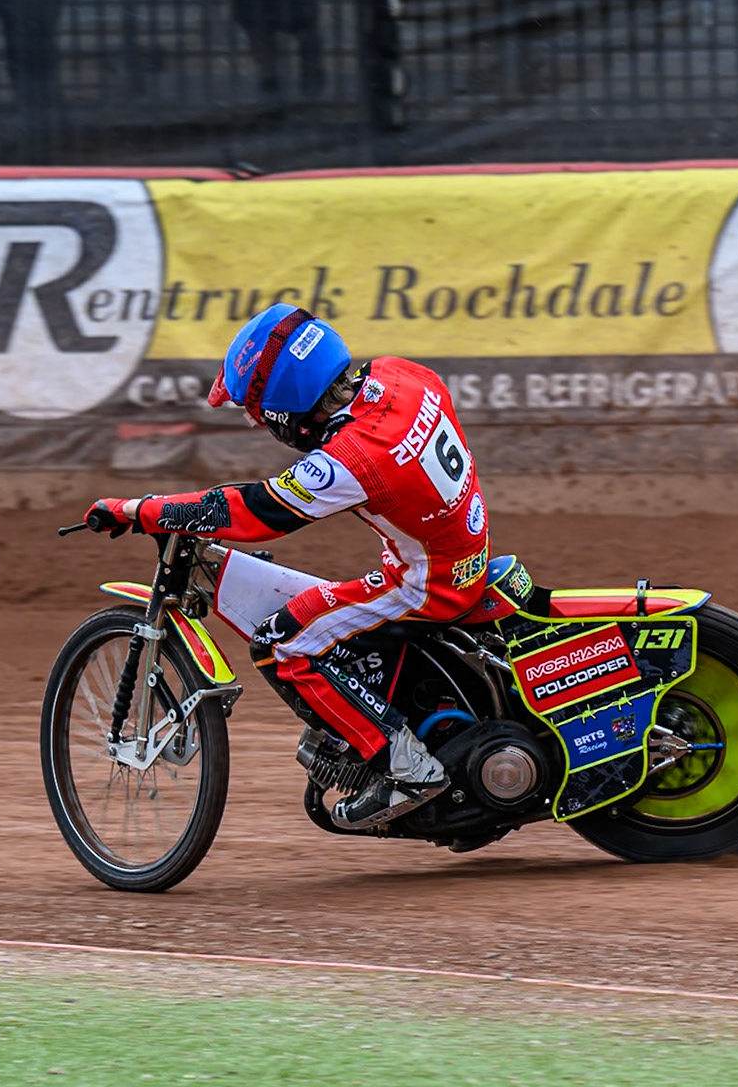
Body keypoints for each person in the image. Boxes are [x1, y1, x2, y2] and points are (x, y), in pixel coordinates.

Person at [83, 303, 488, 831]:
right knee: (325, 614)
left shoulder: (356, 454)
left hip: (425, 584)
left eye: (256, 410)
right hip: (458, 552)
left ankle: (406, 768)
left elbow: (256, 513)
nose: (256, 421)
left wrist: (141, 509)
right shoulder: (400, 374)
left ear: (284, 406)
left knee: (281, 642)